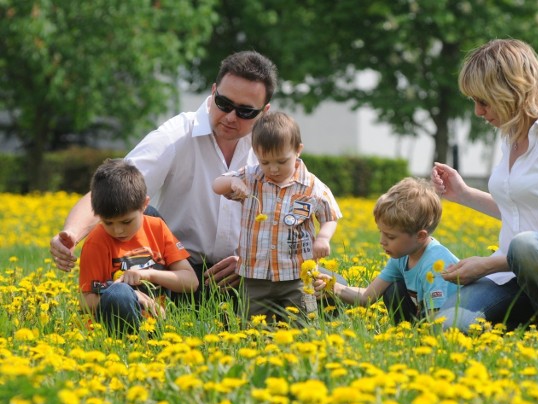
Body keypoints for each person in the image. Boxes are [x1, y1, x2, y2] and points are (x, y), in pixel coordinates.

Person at [50, 51, 278, 308]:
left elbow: (293, 220)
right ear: (213, 91)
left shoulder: (273, 149)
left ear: (264, 111)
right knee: (145, 212)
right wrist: (71, 233)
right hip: (175, 271)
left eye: (245, 111)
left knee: (322, 283)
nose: (230, 117)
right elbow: (115, 187)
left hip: (246, 273)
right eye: (224, 103)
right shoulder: (177, 134)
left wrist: (254, 261)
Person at [431, 39, 538, 338]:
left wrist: (487, 265)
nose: (477, 112)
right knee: (448, 327)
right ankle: (533, 320)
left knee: (526, 245)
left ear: (512, 91)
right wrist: (462, 194)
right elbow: (520, 209)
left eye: (483, 101)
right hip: (512, 277)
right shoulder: (510, 137)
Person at [213, 111, 341, 322]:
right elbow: (217, 184)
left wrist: (323, 238)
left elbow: (330, 216)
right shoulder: (251, 176)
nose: (273, 169)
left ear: (298, 150)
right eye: (265, 162)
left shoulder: (311, 186)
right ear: (256, 154)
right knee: (252, 325)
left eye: (282, 161)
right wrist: (232, 183)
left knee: (303, 322)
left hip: (297, 276)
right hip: (255, 276)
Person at [313, 177, 459, 324]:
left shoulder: (436, 265)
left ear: (420, 236)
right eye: (380, 232)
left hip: (455, 322)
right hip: (425, 316)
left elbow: (439, 321)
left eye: (390, 236)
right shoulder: (402, 257)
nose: (382, 241)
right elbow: (367, 298)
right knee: (393, 290)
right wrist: (334, 287)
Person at [78, 159, 198, 333]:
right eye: (108, 223)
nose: (118, 230)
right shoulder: (96, 241)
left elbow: (191, 281)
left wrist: (147, 274)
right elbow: (85, 301)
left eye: (126, 221)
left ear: (144, 204)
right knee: (119, 293)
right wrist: (131, 295)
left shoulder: (157, 227)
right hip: (113, 329)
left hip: (157, 325)